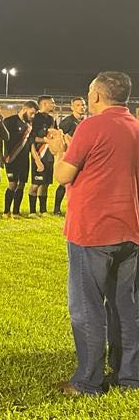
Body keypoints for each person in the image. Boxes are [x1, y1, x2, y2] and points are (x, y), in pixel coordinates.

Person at [46, 71, 139, 396]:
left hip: (92, 229)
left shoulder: (91, 126)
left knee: (87, 307)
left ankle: (88, 381)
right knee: (125, 305)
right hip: (129, 228)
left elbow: (63, 175)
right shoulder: (135, 126)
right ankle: (129, 376)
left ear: (96, 95)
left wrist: (58, 151)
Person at [2, 101, 38, 218]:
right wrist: (1, 155)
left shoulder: (29, 124)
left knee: (21, 184)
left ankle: (16, 212)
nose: (33, 116)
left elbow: (31, 141)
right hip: (11, 158)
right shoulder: (9, 121)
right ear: (24, 109)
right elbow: (1, 139)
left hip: (24, 159)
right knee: (12, 184)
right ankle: (6, 211)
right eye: (31, 113)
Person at [53, 97, 87, 216]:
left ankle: (76, 208)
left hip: (82, 156)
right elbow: (60, 138)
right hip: (70, 155)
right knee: (64, 182)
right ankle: (56, 209)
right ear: (72, 107)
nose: (81, 107)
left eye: (83, 105)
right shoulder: (67, 122)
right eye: (78, 105)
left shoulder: (85, 122)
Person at [28, 96, 58, 215]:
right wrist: (45, 140)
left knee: (45, 184)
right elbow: (31, 138)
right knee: (35, 184)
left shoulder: (51, 119)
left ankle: (43, 210)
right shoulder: (35, 118)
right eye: (52, 103)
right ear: (44, 104)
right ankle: (32, 211)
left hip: (49, 155)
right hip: (39, 154)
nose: (54, 105)